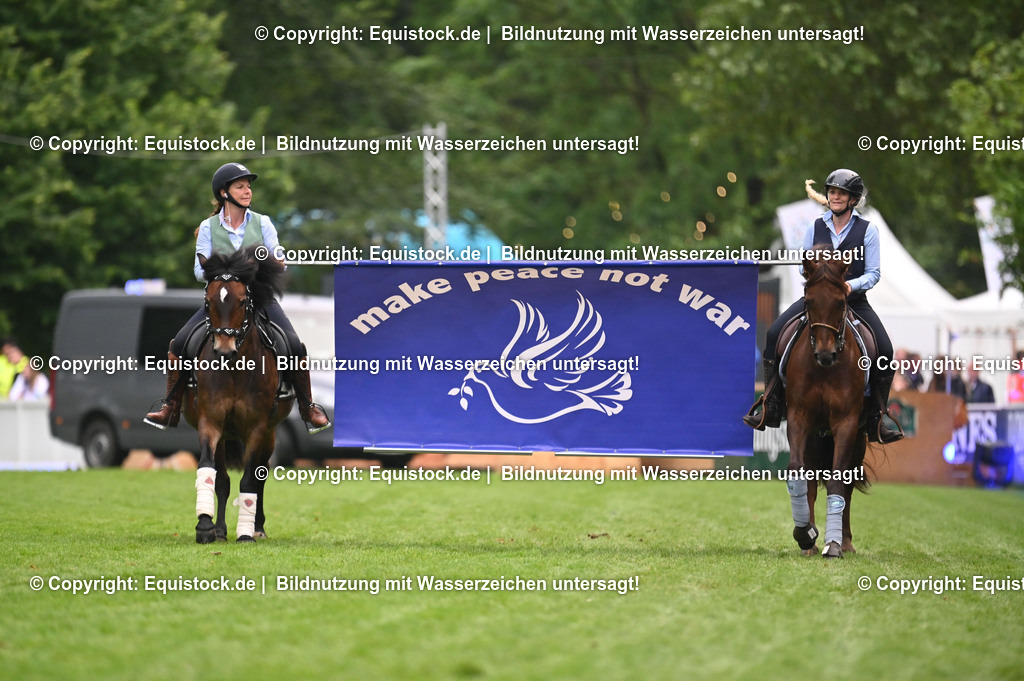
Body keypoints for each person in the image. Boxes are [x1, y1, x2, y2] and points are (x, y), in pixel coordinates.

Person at [145, 162, 331, 433]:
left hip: (260, 298)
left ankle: (307, 408)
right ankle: (170, 406)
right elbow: (199, 271)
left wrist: (271, 261)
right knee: (180, 342)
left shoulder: (263, 223)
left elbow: (280, 260)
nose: (247, 191)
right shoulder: (208, 227)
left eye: (248, 186)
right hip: (223, 303)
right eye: (240, 186)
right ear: (224, 193)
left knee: (293, 344)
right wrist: (229, 270)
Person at [743, 169, 903, 443]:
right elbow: (805, 268)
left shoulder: (868, 231)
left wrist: (850, 286)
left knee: (885, 349)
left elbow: (874, 273)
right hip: (818, 301)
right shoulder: (814, 227)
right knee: (773, 334)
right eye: (832, 192)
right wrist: (817, 285)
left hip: (852, 299)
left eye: (841, 193)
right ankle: (771, 403)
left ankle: (878, 415)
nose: (835, 196)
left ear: (853, 199)